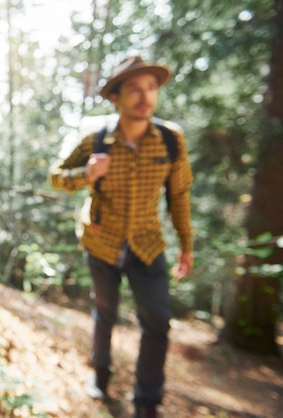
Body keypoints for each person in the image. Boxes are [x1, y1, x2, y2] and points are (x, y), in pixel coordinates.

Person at [48, 56, 193, 418]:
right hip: (101, 241)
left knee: (157, 321)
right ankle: (100, 374)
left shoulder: (171, 140)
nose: (145, 96)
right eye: (134, 89)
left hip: (147, 243)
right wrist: (87, 173)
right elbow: (56, 176)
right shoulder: (95, 138)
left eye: (151, 88)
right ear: (116, 97)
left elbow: (179, 195)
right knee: (105, 311)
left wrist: (186, 246)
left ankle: (146, 402)